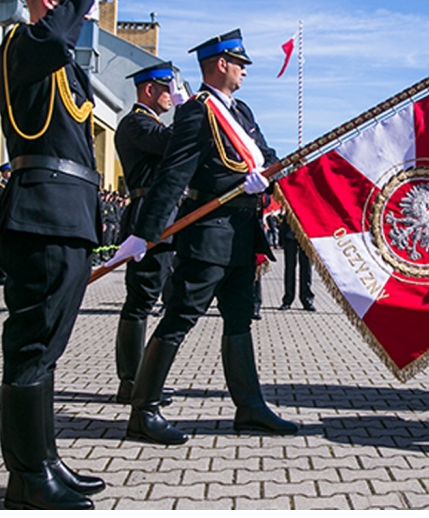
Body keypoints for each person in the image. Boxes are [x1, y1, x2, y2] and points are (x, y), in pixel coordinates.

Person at [109, 28, 298, 445]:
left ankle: (249, 406)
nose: (245, 71)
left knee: (239, 318)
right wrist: (146, 233)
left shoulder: (241, 111)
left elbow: (266, 156)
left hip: (242, 232)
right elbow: (174, 175)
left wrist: (262, 177)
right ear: (220, 65)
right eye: (240, 64)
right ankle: (143, 410)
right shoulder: (197, 111)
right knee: (180, 316)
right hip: (208, 232)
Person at [0, 0, 105, 510]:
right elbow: (56, 36)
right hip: (41, 214)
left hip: (67, 215)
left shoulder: (59, 61)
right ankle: (27, 476)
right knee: (32, 346)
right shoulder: (24, 42)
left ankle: (45, 460)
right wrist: (80, 0)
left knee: (47, 350)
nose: (80, 11)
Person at [112, 61, 183, 406]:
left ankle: (142, 378)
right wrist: (187, 112)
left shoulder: (149, 123)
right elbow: (173, 142)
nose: (172, 96)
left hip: (166, 216)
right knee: (141, 299)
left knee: (157, 295)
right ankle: (131, 381)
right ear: (149, 90)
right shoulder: (136, 123)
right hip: (146, 216)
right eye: (167, 89)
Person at [278, 214, 315, 311]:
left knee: (306, 267)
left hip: (306, 231)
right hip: (290, 231)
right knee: (290, 267)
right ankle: (288, 299)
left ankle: (307, 298)